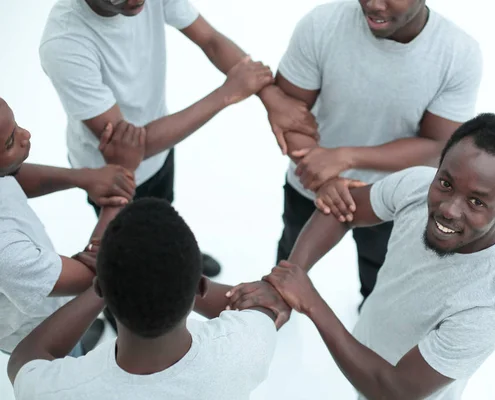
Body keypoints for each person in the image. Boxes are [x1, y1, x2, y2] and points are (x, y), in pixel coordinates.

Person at [229, 113, 495, 399]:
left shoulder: (489, 303)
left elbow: (395, 391)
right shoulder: (418, 186)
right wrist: (286, 282)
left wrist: (310, 302)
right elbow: (342, 211)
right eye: (445, 183)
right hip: (365, 354)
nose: (449, 209)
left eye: (476, 202)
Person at [38, 0, 319, 280]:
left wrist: (270, 96)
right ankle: (123, 304)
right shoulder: (64, 44)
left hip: (164, 141)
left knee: (164, 216)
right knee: (127, 257)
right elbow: (133, 149)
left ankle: (177, 258)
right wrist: (227, 94)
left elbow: (209, 39)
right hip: (108, 173)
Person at [270, 0, 483, 302]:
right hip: (310, 182)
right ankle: (275, 308)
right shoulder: (322, 23)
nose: (372, 4)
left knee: (381, 279)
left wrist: (345, 157)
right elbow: (287, 110)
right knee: (289, 258)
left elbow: (439, 146)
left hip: (392, 196)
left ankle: (370, 324)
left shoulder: (459, 54)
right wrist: (325, 181)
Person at [8, 198, 280, 400]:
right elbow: (262, 303)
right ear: (199, 285)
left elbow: (25, 357)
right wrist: (177, 278)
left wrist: (107, 279)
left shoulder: (59, 391)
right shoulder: (248, 346)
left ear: (101, 290)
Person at [0, 97, 138, 355]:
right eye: (10, 142)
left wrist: (83, 177)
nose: (25, 134)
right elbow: (92, 276)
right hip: (39, 337)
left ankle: (80, 341)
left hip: (44, 301)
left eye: (16, 125)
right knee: (70, 366)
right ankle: (77, 351)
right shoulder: (8, 254)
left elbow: (8, 174)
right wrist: (122, 180)